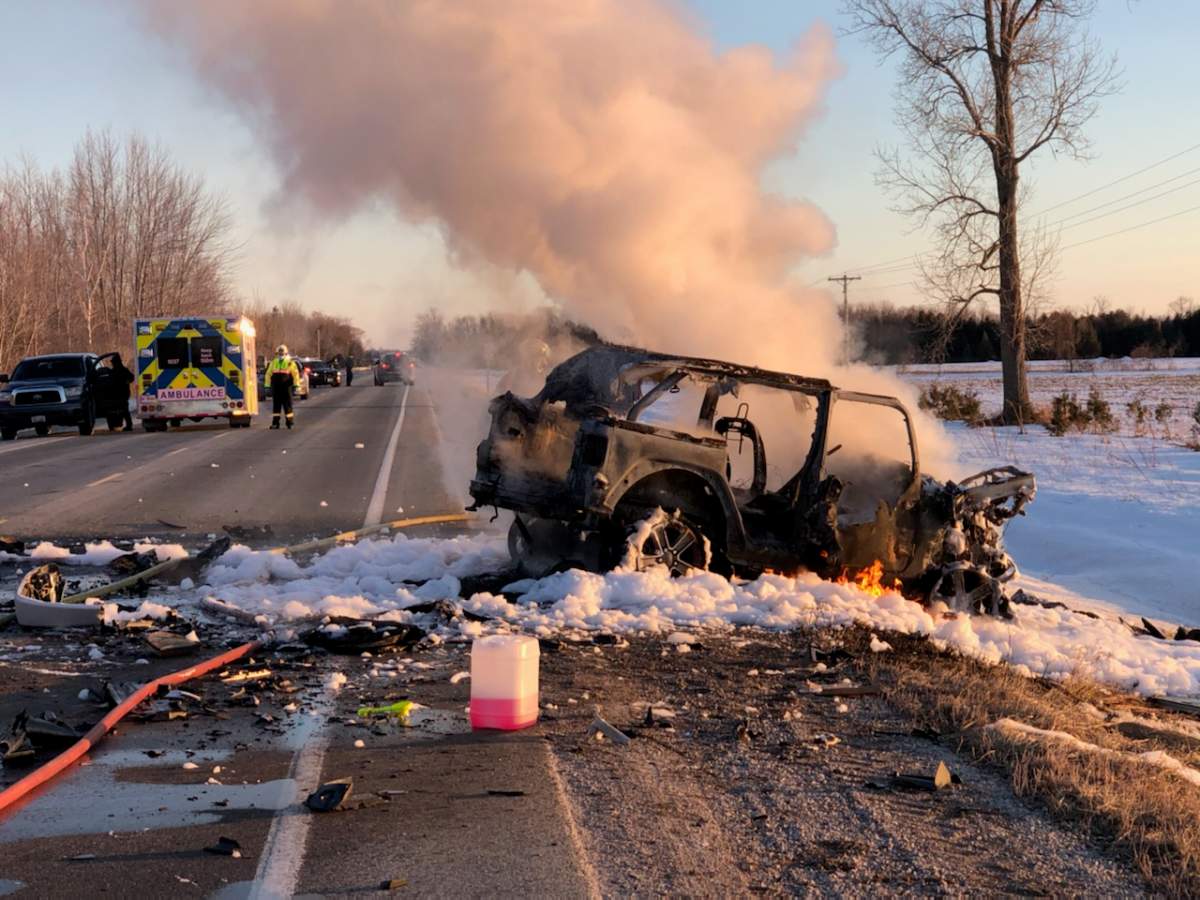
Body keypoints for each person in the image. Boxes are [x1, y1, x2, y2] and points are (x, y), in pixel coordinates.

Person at [264, 344, 301, 429]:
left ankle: (290, 423)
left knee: (287, 406)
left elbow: (295, 374)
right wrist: (267, 386)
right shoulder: (274, 362)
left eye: (282, 353)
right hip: (276, 388)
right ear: (277, 353)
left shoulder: (290, 362)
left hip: (286, 387)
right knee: (276, 406)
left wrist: (296, 385)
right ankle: (275, 423)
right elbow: (268, 374)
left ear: (286, 353)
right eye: (279, 353)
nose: (280, 354)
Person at [109, 353, 135, 431]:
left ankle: (128, 425)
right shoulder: (118, 371)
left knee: (124, 410)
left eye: (113, 362)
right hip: (119, 394)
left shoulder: (120, 371)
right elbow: (131, 378)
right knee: (122, 410)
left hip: (121, 394)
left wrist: (127, 381)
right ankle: (121, 424)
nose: (112, 364)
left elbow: (131, 378)